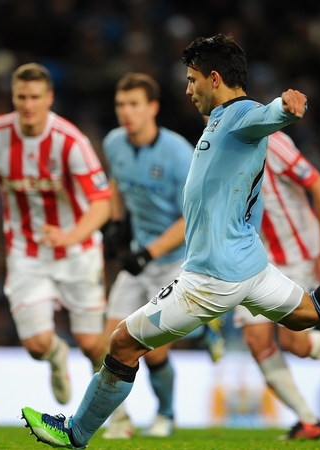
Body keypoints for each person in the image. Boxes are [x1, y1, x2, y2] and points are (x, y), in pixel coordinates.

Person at [20, 34, 320, 450]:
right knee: (306, 312)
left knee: (121, 342)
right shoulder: (220, 120)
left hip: (211, 276)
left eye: (193, 79)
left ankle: (75, 433)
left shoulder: (238, 116)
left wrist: (286, 108)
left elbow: (266, 116)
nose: (188, 89)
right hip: (250, 266)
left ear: (214, 78)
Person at [0, 63, 112, 405]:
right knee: (36, 345)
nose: (28, 105)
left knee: (91, 343)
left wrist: (70, 236)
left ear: (49, 98)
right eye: (21, 97)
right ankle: (56, 355)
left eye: (35, 97)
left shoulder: (71, 142)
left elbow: (102, 203)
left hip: (78, 251)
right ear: (13, 97)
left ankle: (111, 409)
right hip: (26, 251)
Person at [100, 72, 223, 439]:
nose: (126, 112)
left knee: (151, 351)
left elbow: (193, 216)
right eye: (120, 105)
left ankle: (166, 415)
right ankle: (120, 422)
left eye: (134, 104)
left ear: (152, 107)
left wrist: (148, 252)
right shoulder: (114, 143)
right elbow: (116, 181)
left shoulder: (180, 154)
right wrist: (116, 222)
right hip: (140, 256)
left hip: (176, 260)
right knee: (111, 341)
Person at [232, 130, 320, 440]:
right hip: (256, 259)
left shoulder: (269, 141)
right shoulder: (215, 148)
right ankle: (308, 420)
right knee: (256, 340)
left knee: (295, 343)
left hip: (297, 255)